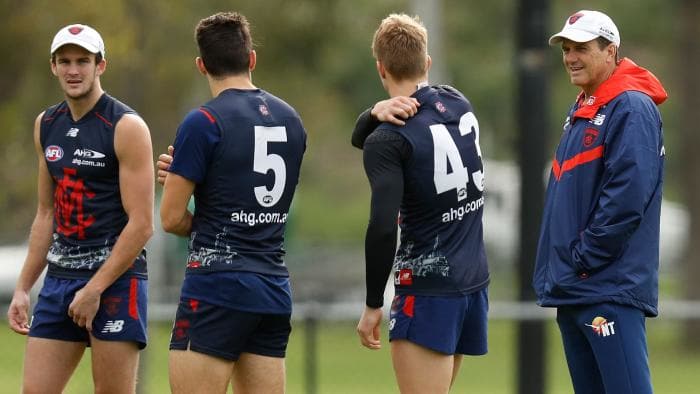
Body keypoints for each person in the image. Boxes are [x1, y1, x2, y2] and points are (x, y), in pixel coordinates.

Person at [157, 12, 306, 394]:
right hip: (272, 287)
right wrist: (191, 175)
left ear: (201, 65)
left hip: (217, 287)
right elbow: (247, 183)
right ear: (252, 59)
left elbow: (172, 219)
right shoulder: (291, 119)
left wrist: (190, 196)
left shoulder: (203, 121)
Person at [6, 24, 154, 393]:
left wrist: (94, 289)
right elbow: (46, 214)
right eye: (65, 61)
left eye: (83, 61)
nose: (74, 70)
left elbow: (142, 224)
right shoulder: (47, 124)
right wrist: (23, 287)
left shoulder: (126, 126)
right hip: (59, 279)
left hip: (116, 280)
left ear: (100, 65)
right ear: (53, 67)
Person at [352, 14, 490, 394]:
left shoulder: (386, 139)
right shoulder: (458, 102)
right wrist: (372, 115)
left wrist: (371, 303)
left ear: (380, 68)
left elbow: (382, 226)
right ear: (426, 63)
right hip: (472, 280)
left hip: (429, 290)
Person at [533, 10, 668, 394]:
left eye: (582, 48)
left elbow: (627, 196)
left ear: (611, 51)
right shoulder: (586, 106)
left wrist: (585, 257)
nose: (571, 57)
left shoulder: (630, 106)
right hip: (576, 287)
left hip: (605, 286)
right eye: (567, 48)